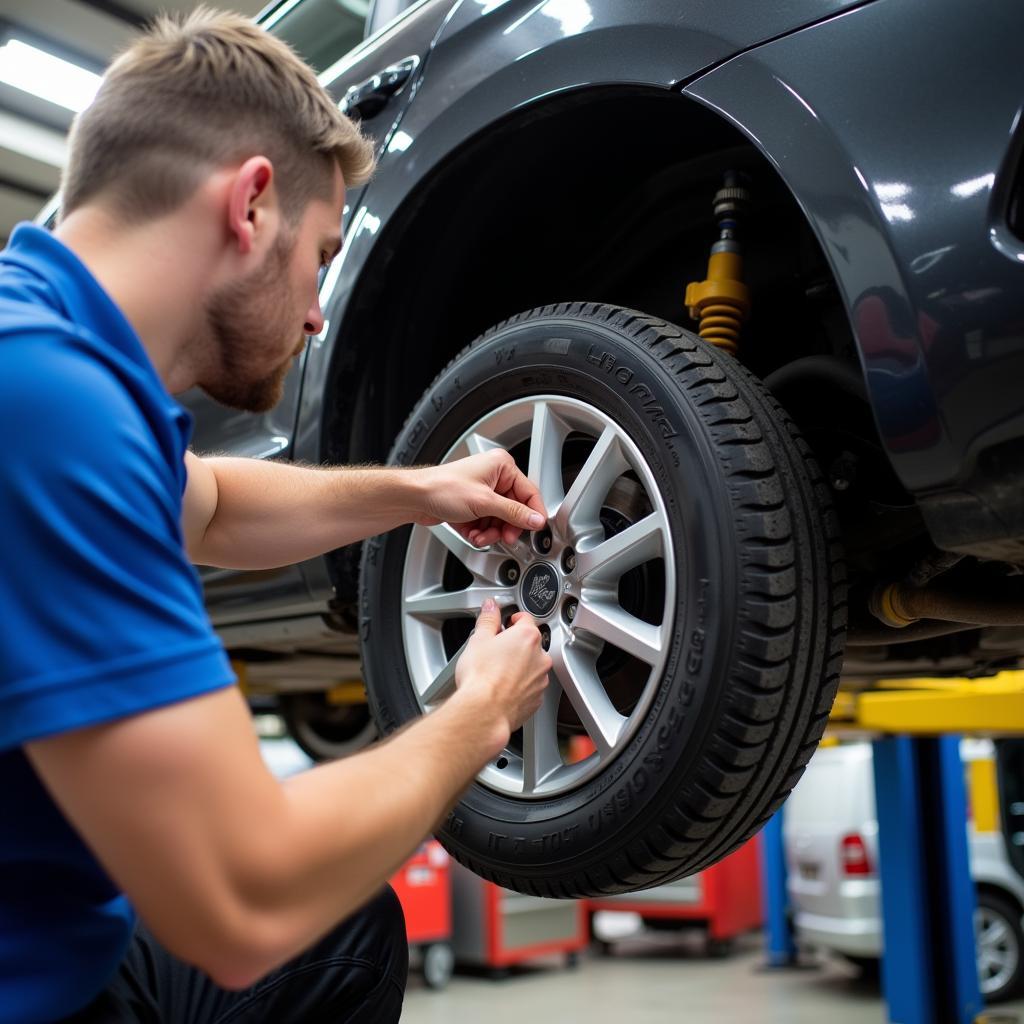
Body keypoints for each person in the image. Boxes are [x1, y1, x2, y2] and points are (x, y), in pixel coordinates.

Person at [0, 8, 552, 1022]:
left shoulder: (42, 343)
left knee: (342, 933)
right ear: (252, 204)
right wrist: (476, 714)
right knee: (295, 916)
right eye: (322, 254)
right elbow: (239, 902)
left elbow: (209, 507)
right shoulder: (43, 404)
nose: (315, 312)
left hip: (54, 935)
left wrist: (420, 488)